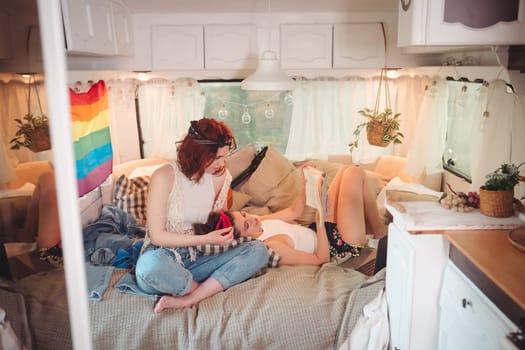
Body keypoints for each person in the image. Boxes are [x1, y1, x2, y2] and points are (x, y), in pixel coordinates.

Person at [135, 118, 269, 313]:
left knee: (258, 250)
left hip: (197, 259)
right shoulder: (164, 176)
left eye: (224, 156)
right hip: (163, 259)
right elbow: (157, 236)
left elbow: (218, 225)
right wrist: (205, 238)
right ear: (198, 154)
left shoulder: (222, 176)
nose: (222, 163)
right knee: (149, 267)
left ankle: (186, 298)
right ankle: (202, 289)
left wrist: (239, 230)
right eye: (216, 158)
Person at [199, 165, 387, 266]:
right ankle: (378, 233)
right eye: (246, 225)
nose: (252, 219)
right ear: (243, 241)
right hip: (338, 246)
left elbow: (293, 212)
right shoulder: (271, 246)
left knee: (347, 170)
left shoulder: (258, 222)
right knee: (354, 174)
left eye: (245, 214)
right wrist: (321, 217)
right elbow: (320, 259)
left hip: (324, 228)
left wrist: (308, 183)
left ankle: (374, 231)